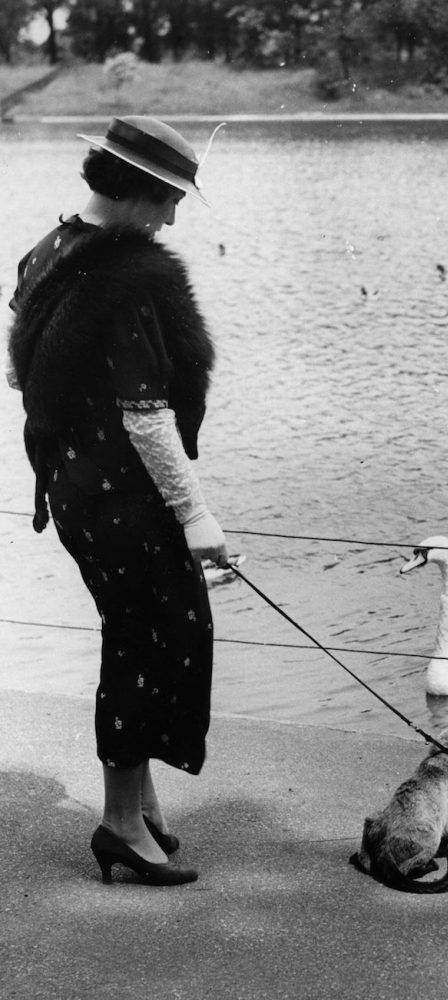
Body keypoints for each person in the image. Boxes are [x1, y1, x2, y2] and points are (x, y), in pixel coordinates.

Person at [8, 116, 228, 886]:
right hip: (126, 496)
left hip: (72, 489)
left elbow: (19, 371)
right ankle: (120, 825)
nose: (171, 221)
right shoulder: (133, 276)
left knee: (140, 634)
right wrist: (197, 516)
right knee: (148, 643)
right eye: (169, 203)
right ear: (138, 193)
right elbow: (146, 415)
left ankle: (143, 806)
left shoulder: (48, 250)